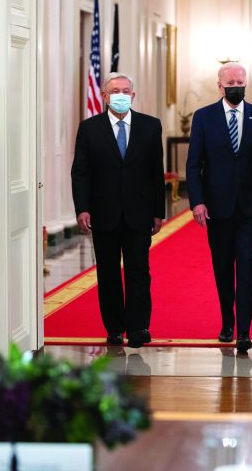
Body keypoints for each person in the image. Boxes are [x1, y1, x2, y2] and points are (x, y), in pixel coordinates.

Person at [186, 62, 252, 353]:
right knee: (223, 267)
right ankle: (227, 322)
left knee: (247, 266)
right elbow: (193, 165)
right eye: (231, 83)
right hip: (216, 207)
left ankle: (244, 331)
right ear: (220, 85)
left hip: (250, 207)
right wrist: (197, 202)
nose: (236, 86)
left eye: (241, 82)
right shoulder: (203, 118)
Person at [71, 72, 165, 348]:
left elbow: (155, 173)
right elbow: (81, 173)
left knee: (139, 271)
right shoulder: (89, 128)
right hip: (103, 214)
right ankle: (114, 328)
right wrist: (82, 208)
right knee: (108, 273)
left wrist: (158, 211)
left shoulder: (150, 126)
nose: (121, 95)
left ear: (133, 96)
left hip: (139, 213)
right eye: (115, 91)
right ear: (104, 95)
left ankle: (138, 328)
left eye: (126, 91)